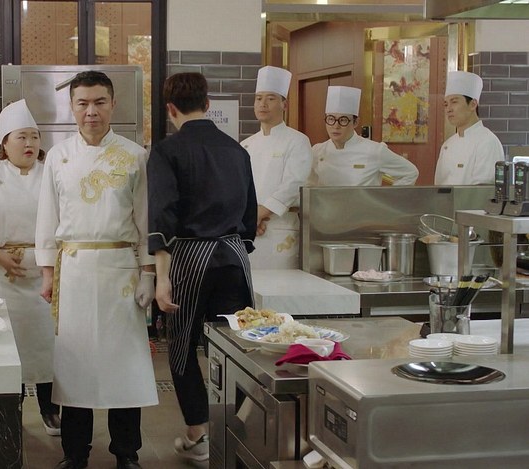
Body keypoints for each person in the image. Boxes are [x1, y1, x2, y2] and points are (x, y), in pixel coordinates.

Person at [35, 70, 157, 469]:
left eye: (99, 102)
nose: (92, 111)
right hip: (73, 271)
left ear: (113, 104)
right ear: (72, 107)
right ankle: (75, 453)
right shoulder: (57, 157)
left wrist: (149, 272)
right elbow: (47, 217)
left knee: (124, 365)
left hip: (121, 270)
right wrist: (48, 275)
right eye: (83, 103)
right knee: (75, 364)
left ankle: (127, 452)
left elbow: (145, 218)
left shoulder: (134, 155)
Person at [148, 72, 256, 462]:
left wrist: (162, 279)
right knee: (235, 348)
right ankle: (239, 432)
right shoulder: (237, 151)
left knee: (181, 347)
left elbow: (162, 215)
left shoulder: (166, 151)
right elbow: (249, 214)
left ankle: (198, 435)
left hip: (190, 257)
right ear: (207, 104)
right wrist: (237, 248)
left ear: (170, 109)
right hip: (234, 256)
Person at [0, 99, 60, 436]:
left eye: (34, 136)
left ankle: (51, 409)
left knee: (46, 345)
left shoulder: (51, 175)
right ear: (4, 143)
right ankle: (10, 410)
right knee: (5, 345)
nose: (29, 143)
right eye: (22, 137)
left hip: (44, 274)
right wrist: (0, 256)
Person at [240, 66, 311, 270]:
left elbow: (293, 183)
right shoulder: (245, 145)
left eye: (271, 98)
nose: (263, 104)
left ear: (284, 104)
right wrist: (248, 218)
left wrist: (259, 214)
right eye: (258, 98)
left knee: (282, 287)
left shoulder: (297, 141)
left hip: (281, 229)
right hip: (250, 230)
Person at [309, 85, 419, 186]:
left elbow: (410, 173)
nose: (335, 126)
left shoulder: (375, 151)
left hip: (361, 202)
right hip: (326, 202)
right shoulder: (317, 150)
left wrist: (386, 198)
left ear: (355, 122)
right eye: (331, 119)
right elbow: (309, 184)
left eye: (343, 120)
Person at [434, 71, 504, 185]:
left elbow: (484, 190)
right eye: (446, 104)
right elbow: (438, 187)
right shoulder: (447, 145)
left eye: (454, 102)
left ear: (472, 104)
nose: (448, 109)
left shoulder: (487, 142)